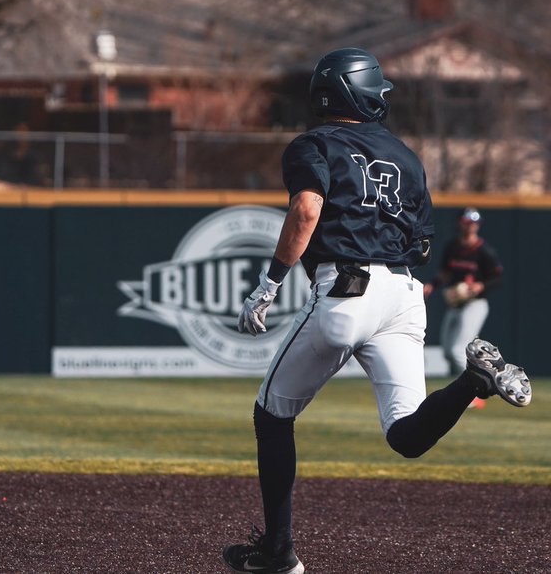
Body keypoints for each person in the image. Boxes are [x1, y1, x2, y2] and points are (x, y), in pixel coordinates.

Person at [222, 47, 532, 574]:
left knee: (271, 414)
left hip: (347, 288)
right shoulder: (407, 156)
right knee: (406, 435)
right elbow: (424, 241)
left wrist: (269, 283)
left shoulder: (314, 143)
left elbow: (307, 208)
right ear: (362, 93)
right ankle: (473, 383)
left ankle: (277, 551)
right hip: (406, 295)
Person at [424, 207, 504, 408]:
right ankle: (469, 389)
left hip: (475, 304)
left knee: (459, 349)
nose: (470, 226)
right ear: (460, 223)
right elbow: (445, 273)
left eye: (474, 223)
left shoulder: (484, 251)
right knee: (448, 351)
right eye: (467, 222)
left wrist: (481, 285)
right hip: (456, 303)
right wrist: (432, 285)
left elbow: (497, 277)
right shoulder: (453, 247)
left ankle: (473, 393)